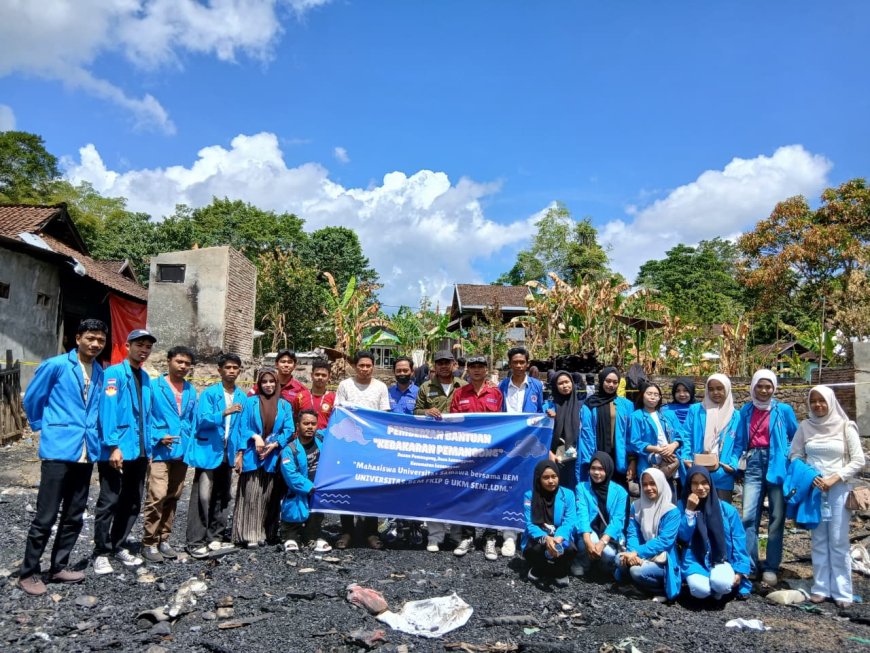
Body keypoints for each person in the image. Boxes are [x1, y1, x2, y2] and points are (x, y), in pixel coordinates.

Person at [18, 319, 108, 595]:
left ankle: (58, 566)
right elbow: (32, 398)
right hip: (59, 448)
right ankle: (29, 572)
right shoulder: (56, 365)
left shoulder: (100, 371)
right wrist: (46, 426)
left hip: (85, 450)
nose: (95, 344)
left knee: (74, 513)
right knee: (45, 515)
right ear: (77, 338)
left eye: (100, 340)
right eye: (90, 338)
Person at [789, 385, 865, 608]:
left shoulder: (845, 426)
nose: (818, 405)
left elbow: (858, 460)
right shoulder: (806, 426)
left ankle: (842, 591)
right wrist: (810, 475)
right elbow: (794, 454)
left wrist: (836, 478)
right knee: (819, 540)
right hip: (814, 490)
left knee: (839, 540)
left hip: (838, 490)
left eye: (822, 400)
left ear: (830, 402)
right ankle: (821, 587)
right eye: (813, 401)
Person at [93, 329, 157, 575]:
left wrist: (148, 448)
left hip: (139, 450)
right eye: (140, 345)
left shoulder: (146, 378)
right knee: (109, 500)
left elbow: (146, 416)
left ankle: (118, 544)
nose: (144, 350)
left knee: (132, 501)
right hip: (118, 449)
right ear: (128, 346)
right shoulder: (114, 374)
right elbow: (107, 411)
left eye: (148, 347)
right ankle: (101, 551)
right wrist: (113, 446)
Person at [738, 369, 799, 586]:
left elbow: (796, 437)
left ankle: (771, 567)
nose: (764, 390)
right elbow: (739, 441)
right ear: (753, 387)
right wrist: (734, 462)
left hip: (778, 465)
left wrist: (786, 454)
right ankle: (750, 566)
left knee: (776, 517)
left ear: (774, 388)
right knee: (748, 517)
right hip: (753, 463)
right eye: (760, 386)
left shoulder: (783, 410)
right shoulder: (746, 411)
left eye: (768, 386)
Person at [184, 353, 246, 558]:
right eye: (227, 367)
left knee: (223, 495)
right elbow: (201, 420)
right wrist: (223, 413)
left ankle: (215, 536)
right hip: (209, 451)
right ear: (219, 370)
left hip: (228, 453)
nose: (231, 371)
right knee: (202, 495)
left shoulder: (241, 396)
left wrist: (240, 452)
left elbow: (242, 428)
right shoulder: (210, 393)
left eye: (235, 368)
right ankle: (195, 540)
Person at [141, 346, 197, 563]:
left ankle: (164, 538)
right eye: (179, 362)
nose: (183, 366)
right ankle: (148, 541)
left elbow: (192, 420)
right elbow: (145, 417)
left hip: (181, 452)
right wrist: (157, 435)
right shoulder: (154, 387)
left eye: (187, 363)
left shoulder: (191, 390)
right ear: (169, 361)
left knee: (173, 496)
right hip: (160, 450)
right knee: (157, 495)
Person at [232, 368, 295, 548]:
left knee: (270, 496)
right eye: (264, 382)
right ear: (259, 384)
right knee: (252, 494)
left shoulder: (284, 405)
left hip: (272, 456)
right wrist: (255, 437)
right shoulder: (250, 402)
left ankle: (268, 533)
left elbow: (289, 430)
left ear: (276, 384)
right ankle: (249, 534)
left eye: (271, 382)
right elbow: (242, 427)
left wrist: (275, 444)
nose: (268, 385)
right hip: (253, 454)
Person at [449, 355, 504, 560]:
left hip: (490, 454)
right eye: (472, 367)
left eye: (480, 367)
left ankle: (490, 538)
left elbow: (503, 423)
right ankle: (468, 536)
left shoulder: (496, 393)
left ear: (486, 369)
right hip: (467, 454)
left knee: (491, 493)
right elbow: (453, 422)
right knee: (468, 493)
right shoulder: (459, 393)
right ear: (467, 370)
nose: (477, 370)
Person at [334, 350, 390, 549]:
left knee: (371, 488)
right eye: (361, 366)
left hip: (371, 447)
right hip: (348, 445)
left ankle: (371, 532)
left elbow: (384, 418)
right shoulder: (345, 385)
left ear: (373, 367)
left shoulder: (381, 387)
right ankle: (347, 531)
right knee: (346, 487)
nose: (365, 369)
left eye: (368, 366)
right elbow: (338, 413)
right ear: (354, 366)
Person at [414, 350, 467, 552]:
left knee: (457, 488)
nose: (444, 366)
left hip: (458, 445)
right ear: (434, 366)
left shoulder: (463, 386)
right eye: (440, 363)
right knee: (434, 489)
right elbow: (415, 411)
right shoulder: (426, 388)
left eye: (447, 362)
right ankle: (435, 536)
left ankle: (455, 534)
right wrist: (425, 411)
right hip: (433, 446)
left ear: (454, 365)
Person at [496, 346, 544, 557]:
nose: (518, 366)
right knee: (506, 487)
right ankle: (508, 534)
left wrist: (548, 413)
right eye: (514, 362)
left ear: (527, 364)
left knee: (527, 487)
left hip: (529, 448)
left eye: (521, 362)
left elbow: (542, 411)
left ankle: (528, 531)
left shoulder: (537, 386)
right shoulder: (501, 386)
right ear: (510, 364)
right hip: (508, 447)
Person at [678, 466, 751, 600]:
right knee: (699, 590)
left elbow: (739, 540)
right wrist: (689, 510)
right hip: (694, 559)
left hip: (720, 559)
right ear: (689, 485)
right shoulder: (682, 506)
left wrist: (740, 571)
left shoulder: (727, 510)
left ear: (711, 483)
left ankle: (718, 588)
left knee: (722, 585)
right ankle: (709, 588)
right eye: (695, 483)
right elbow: (682, 536)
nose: (700, 487)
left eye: (704, 482)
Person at [618, 468, 681, 601]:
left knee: (636, 571)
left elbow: (664, 541)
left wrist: (637, 553)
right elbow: (632, 533)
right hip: (641, 555)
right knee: (619, 559)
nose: (648, 488)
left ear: (660, 483)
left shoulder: (671, 511)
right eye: (645, 484)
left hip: (662, 560)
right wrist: (631, 553)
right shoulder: (637, 506)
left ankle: (662, 589)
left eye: (653, 483)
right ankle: (640, 586)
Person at [680, 374, 743, 503]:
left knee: (722, 512)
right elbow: (686, 435)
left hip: (723, 471)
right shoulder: (696, 410)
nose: (715, 392)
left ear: (727, 389)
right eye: (711, 389)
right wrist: (686, 456)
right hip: (697, 468)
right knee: (696, 508)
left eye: (720, 388)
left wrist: (732, 463)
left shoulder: (736, 416)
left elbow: (739, 443)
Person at [279, 410, 331, 552]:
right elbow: (291, 476)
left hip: (318, 491)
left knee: (316, 515)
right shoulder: (290, 450)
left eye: (313, 424)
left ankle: (312, 537)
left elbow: (338, 427)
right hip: (299, 492)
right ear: (298, 425)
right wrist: (311, 487)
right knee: (293, 513)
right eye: (306, 423)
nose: (310, 427)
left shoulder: (321, 439)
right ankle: (290, 536)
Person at [522, 460, 578, 587]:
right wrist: (546, 538)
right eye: (546, 477)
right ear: (538, 478)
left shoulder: (568, 494)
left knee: (569, 549)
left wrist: (558, 537)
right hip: (540, 536)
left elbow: (569, 521)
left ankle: (559, 571)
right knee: (534, 550)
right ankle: (539, 568)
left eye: (554, 476)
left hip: (559, 536)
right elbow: (530, 524)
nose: (551, 481)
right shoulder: (529, 496)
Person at [574, 452, 627, 576]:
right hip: (589, 532)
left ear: (608, 470)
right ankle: (582, 562)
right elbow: (582, 515)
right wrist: (588, 541)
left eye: (601, 469)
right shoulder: (581, 488)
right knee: (587, 542)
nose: (596, 473)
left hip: (608, 536)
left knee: (608, 554)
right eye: (593, 468)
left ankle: (601, 566)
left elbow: (617, 521)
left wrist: (602, 543)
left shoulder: (620, 492)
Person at [580, 368, 636, 487]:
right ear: (601, 381)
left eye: (615, 382)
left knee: (620, 494)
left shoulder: (627, 405)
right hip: (597, 456)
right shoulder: (590, 404)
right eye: (608, 381)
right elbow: (586, 434)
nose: (611, 385)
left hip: (620, 457)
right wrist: (589, 459)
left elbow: (631, 434)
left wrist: (632, 460)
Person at [629, 383, 681, 483]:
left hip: (671, 462)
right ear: (642, 395)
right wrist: (657, 450)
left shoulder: (668, 414)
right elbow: (634, 442)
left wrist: (673, 446)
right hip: (649, 463)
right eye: (649, 393)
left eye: (656, 394)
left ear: (660, 398)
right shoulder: (636, 416)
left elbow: (681, 434)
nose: (652, 397)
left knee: (670, 495)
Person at [544, 371, 586, 492]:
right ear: (555, 387)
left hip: (575, 456)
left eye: (567, 382)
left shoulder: (582, 408)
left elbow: (588, 435)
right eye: (560, 383)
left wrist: (587, 458)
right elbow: (542, 435)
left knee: (573, 490)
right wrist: (549, 452)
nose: (565, 385)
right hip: (553, 457)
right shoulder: (548, 407)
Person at [254, 350, 313, 420]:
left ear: (294, 366)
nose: (286, 365)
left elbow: (303, 415)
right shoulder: (264, 384)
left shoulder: (301, 390)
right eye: (283, 362)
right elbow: (249, 403)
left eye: (290, 362)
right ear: (276, 364)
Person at [309, 359, 336, 430]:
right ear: (311, 375)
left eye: (324, 375)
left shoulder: (334, 398)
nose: (320, 377)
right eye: (317, 374)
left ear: (329, 377)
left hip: (325, 439)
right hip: (303, 439)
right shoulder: (300, 397)